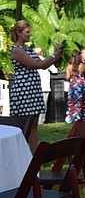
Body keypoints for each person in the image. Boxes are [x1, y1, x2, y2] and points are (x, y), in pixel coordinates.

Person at [8, 20, 65, 149]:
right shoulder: (16, 50)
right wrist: (54, 55)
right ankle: (19, 154)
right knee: (21, 126)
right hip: (24, 90)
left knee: (33, 126)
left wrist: (56, 56)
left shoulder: (28, 49)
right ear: (18, 32)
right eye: (27, 32)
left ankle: (33, 157)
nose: (29, 35)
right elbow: (37, 65)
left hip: (33, 89)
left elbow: (43, 65)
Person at [33, 47, 58, 124]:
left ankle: (34, 122)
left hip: (34, 87)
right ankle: (41, 122)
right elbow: (55, 71)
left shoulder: (31, 61)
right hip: (44, 87)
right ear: (42, 53)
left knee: (34, 106)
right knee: (43, 106)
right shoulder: (46, 61)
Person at [65, 49, 85, 123]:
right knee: (83, 101)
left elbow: (67, 77)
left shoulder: (69, 66)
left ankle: (73, 117)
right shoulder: (83, 65)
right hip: (82, 84)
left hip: (73, 84)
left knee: (73, 101)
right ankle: (83, 117)